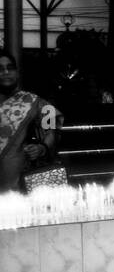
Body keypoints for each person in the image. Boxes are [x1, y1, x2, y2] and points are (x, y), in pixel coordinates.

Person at [0, 50, 62, 193]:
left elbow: (52, 127)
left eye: (10, 68)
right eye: (0, 69)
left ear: (17, 72)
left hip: (16, 180)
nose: (5, 72)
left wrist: (42, 148)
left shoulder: (33, 101)